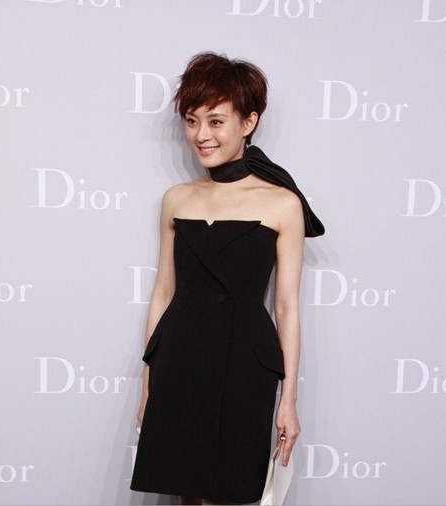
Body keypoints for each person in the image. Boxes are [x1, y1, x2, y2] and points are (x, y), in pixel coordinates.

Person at [129, 51, 325, 505]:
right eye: (192, 121)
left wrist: (288, 400)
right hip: (179, 361)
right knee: (184, 495)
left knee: (229, 493)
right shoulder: (176, 198)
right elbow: (163, 294)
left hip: (244, 368)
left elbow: (286, 307)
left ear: (248, 122)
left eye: (216, 121)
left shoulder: (282, 203)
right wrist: (149, 386)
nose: (201, 135)